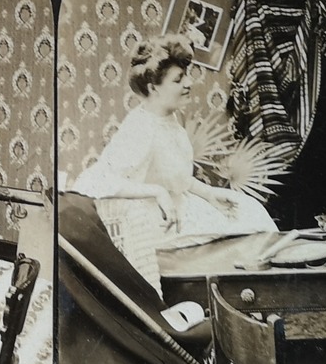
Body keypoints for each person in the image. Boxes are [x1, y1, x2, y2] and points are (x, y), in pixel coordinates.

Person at [70, 33, 275, 247]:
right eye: (178, 79)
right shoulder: (141, 127)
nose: (188, 83)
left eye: (186, 75)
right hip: (153, 219)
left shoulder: (170, 120)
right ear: (153, 88)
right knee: (247, 224)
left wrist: (210, 193)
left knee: (250, 209)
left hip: (178, 205)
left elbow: (177, 179)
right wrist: (156, 192)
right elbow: (100, 181)